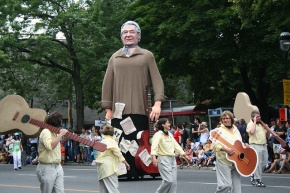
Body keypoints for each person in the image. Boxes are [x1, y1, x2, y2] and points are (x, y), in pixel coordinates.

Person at [101, 20, 166, 178]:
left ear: (139, 35)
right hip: (118, 111)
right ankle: (125, 171)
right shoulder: (115, 58)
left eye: (131, 32)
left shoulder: (146, 56)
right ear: (121, 36)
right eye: (125, 32)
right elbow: (107, 83)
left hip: (141, 108)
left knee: (139, 140)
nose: (128, 35)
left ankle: (143, 168)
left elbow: (157, 80)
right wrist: (108, 108)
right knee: (121, 141)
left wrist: (157, 103)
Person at [212, 110, 245, 193]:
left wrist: (245, 145)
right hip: (224, 160)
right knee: (226, 185)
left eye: (227, 118)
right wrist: (225, 149)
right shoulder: (218, 130)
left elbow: (239, 143)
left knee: (237, 189)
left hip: (237, 161)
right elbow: (214, 145)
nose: (225, 120)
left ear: (231, 119)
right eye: (223, 118)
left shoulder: (236, 130)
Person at [151, 118, 186, 193]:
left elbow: (175, 145)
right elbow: (154, 146)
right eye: (168, 123)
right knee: (168, 180)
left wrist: (183, 154)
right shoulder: (158, 135)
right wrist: (154, 157)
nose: (169, 124)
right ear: (163, 125)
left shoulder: (170, 134)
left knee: (173, 183)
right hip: (163, 159)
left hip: (172, 159)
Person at [36, 112, 68, 193]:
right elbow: (50, 146)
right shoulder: (46, 131)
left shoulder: (54, 132)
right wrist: (60, 135)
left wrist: (60, 136)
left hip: (57, 166)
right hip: (47, 167)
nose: (61, 125)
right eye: (60, 122)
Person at [96, 125, 130, 193]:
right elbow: (118, 153)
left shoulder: (103, 141)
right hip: (109, 168)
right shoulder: (111, 141)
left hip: (101, 167)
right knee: (113, 189)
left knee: (104, 190)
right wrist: (126, 163)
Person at [247, 110, 270, 187]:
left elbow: (268, 136)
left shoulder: (261, 125)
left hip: (263, 145)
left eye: (259, 116)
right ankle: (258, 180)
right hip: (255, 145)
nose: (259, 118)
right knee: (258, 163)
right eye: (257, 116)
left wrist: (267, 128)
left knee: (265, 162)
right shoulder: (250, 124)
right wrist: (254, 122)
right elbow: (252, 131)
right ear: (253, 117)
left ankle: (253, 174)